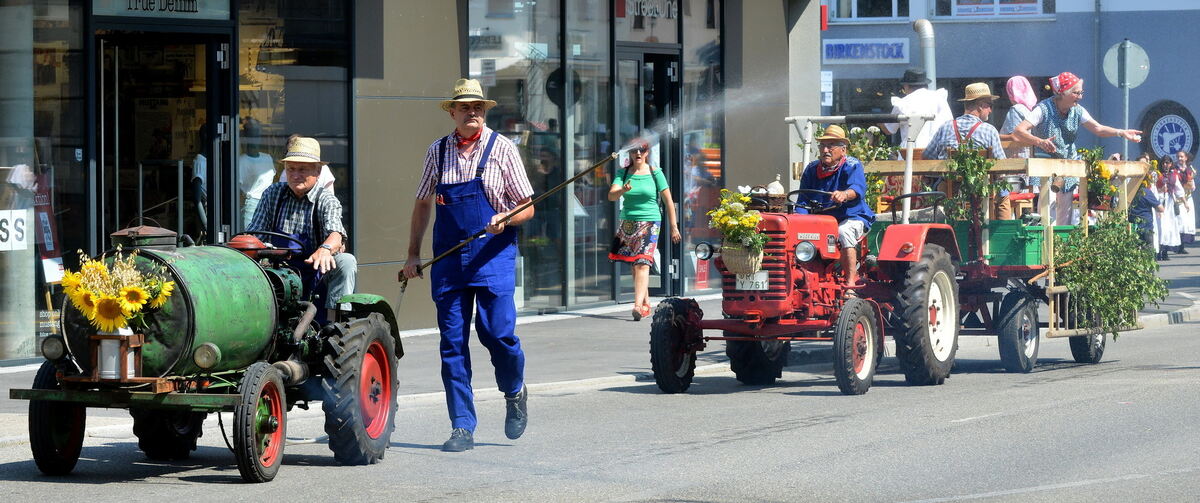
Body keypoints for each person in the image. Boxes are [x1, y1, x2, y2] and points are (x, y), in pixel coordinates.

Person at [402, 78, 534, 453]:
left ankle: (514, 390)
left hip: (493, 256)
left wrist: (505, 218)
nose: (472, 112)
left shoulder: (503, 149)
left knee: (497, 334)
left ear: (484, 111)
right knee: (452, 345)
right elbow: (423, 204)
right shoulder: (437, 152)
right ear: (452, 112)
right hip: (448, 260)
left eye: (478, 107)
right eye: (465, 107)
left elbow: (528, 205)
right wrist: (413, 254)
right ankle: (462, 425)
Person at [245, 136, 356, 319]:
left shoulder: (326, 200)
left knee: (346, 262)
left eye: (302, 169)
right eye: (291, 169)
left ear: (318, 172)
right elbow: (255, 234)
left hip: (314, 274)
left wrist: (325, 249)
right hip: (278, 271)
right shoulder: (273, 194)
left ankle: (337, 322)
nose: (295, 175)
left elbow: (336, 234)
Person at [1013, 71, 1143, 225]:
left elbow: (1098, 129)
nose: (1080, 97)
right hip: (1045, 165)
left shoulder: (1077, 110)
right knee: (1047, 208)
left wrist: (1121, 132)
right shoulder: (1043, 109)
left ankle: (1062, 243)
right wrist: (1040, 141)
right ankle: (1045, 244)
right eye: (1076, 93)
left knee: (1065, 210)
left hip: (1068, 164)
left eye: (1081, 92)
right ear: (1063, 93)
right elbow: (1018, 131)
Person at [607, 139, 681, 321]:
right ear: (630, 154)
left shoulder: (656, 173)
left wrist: (674, 227)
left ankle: (638, 306)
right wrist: (622, 190)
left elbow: (669, 202)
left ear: (647, 153)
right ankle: (646, 303)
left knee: (642, 263)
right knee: (635, 265)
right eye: (634, 151)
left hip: (650, 222)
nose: (638, 153)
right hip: (628, 223)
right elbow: (611, 196)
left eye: (642, 150)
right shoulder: (622, 173)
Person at [794, 125, 875, 288]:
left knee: (843, 232)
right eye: (823, 146)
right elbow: (802, 200)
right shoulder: (811, 169)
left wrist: (844, 194)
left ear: (843, 150)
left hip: (852, 216)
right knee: (794, 233)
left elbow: (857, 189)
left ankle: (851, 282)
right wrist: (798, 221)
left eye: (831, 145)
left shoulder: (852, 165)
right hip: (820, 220)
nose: (825, 150)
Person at [922, 82, 1011, 219]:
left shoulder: (945, 127)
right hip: (981, 192)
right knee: (1004, 192)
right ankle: (1003, 234)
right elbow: (1002, 167)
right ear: (980, 106)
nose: (991, 110)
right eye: (989, 105)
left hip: (948, 191)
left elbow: (927, 156)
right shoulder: (989, 130)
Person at [881, 68, 953, 152]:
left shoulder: (903, 103)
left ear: (906, 86)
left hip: (912, 153)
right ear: (925, 84)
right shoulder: (940, 99)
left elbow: (889, 130)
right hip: (937, 152)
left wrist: (880, 122)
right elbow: (949, 125)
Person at [238, 119, 277, 225]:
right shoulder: (241, 161)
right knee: (250, 238)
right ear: (246, 138)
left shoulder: (267, 158)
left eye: (257, 135)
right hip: (251, 205)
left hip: (269, 204)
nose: (255, 139)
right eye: (251, 135)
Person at [1000, 76, 1037, 160]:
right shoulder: (1033, 110)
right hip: (1028, 158)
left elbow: (1014, 136)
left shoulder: (1016, 109)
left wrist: (994, 136)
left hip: (1016, 162)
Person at [1129, 171, 1165, 251]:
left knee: (1134, 251)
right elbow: (1160, 208)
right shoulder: (1146, 192)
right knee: (1148, 251)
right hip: (1146, 226)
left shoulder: (1129, 192)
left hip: (1132, 226)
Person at [1157, 156, 1182, 260]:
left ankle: (1165, 252)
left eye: (1167, 163)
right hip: (1160, 201)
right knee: (1160, 226)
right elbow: (1153, 188)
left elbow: (1179, 189)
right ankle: (1158, 252)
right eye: (1163, 163)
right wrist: (1160, 190)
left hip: (1170, 203)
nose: (1165, 165)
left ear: (1171, 164)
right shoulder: (1157, 174)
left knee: (1169, 227)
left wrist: (1184, 202)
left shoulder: (1174, 175)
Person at [1174, 150, 1195, 248]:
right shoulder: (1174, 170)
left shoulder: (1190, 170)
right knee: (1179, 221)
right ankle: (1178, 245)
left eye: (1182, 157)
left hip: (1188, 197)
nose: (1180, 159)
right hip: (1178, 198)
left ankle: (1183, 245)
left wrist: (1191, 186)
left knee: (1187, 221)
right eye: (1178, 157)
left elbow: (1193, 187)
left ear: (1186, 158)